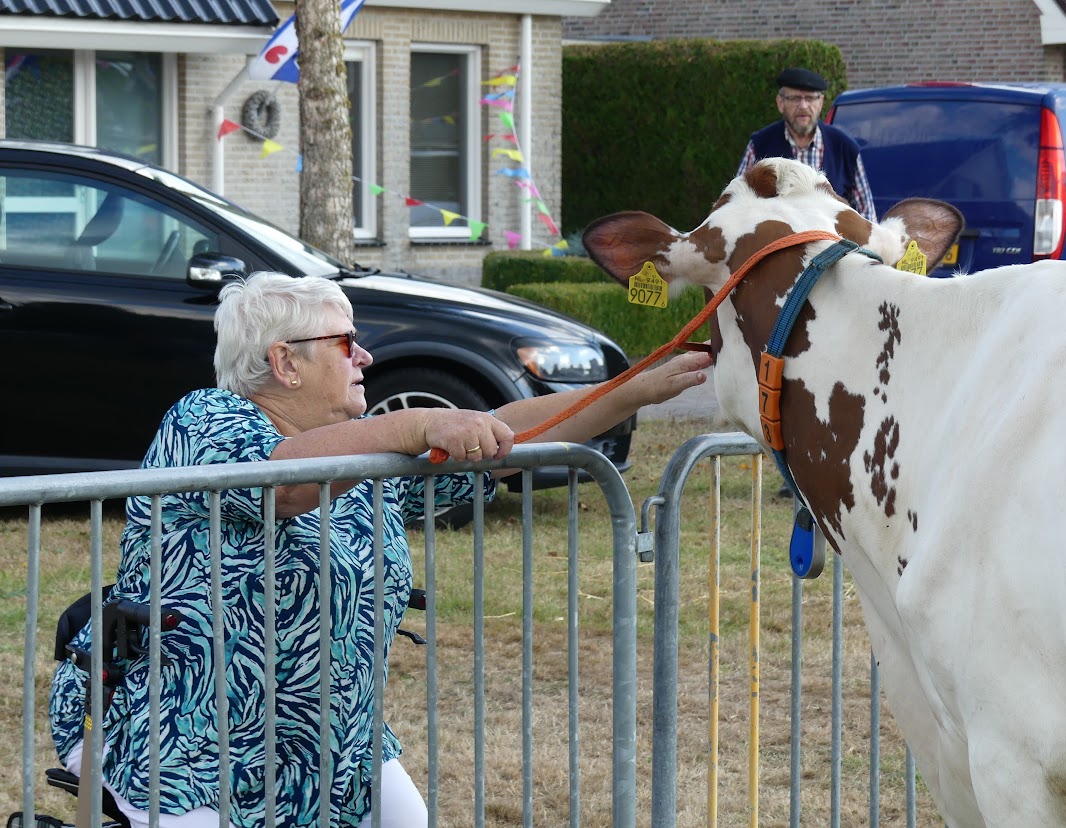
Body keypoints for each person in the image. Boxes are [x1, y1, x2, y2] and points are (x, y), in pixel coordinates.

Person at [48, 271, 711, 828]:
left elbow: (499, 438)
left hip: (336, 748)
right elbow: (283, 485)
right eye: (346, 342)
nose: (364, 356)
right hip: (192, 753)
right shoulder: (203, 420)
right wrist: (414, 422)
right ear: (284, 361)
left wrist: (630, 391)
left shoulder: (367, 455)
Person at [737, 66, 877, 223]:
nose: (803, 106)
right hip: (776, 246)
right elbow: (737, 205)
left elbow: (867, 216)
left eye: (810, 98)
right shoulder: (759, 146)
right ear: (780, 103)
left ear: (820, 103)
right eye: (795, 98)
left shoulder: (845, 148)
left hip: (833, 246)